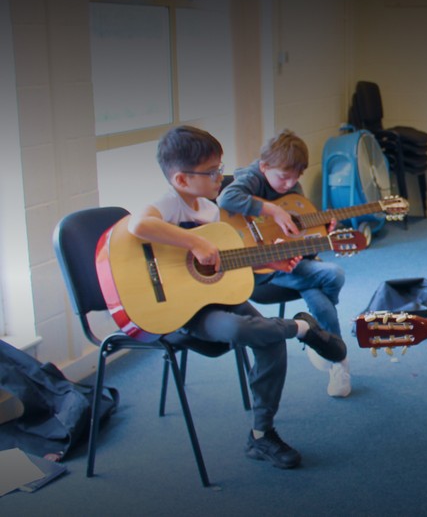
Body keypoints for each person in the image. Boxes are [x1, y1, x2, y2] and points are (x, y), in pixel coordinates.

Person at [127, 125, 348, 469]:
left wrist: (271, 261)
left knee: (267, 338)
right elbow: (138, 226)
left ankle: (261, 435)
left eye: (220, 167)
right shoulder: (169, 205)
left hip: (213, 296)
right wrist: (196, 243)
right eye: (212, 171)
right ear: (182, 180)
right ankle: (303, 329)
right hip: (180, 312)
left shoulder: (210, 211)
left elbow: (223, 265)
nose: (221, 176)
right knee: (239, 331)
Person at [219, 130, 352, 398]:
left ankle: (326, 347)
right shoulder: (251, 178)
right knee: (333, 276)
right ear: (264, 166)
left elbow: (302, 241)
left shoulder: (293, 189)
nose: (290, 183)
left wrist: (322, 228)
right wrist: (273, 210)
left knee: (321, 288)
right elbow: (226, 199)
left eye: (296, 177)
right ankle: (335, 356)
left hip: (290, 265)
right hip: (257, 270)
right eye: (283, 176)